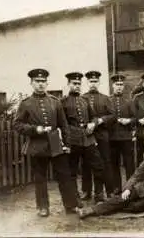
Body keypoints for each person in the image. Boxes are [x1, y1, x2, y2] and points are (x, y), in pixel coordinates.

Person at [13, 68, 79, 217]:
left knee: (64, 175)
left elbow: (64, 125)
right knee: (40, 178)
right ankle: (43, 207)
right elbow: (17, 124)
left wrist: (67, 144)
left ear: (47, 83)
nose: (41, 84)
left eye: (43, 81)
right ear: (31, 83)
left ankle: (71, 205)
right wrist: (36, 129)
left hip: (56, 143)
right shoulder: (26, 103)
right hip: (37, 145)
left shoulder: (55, 102)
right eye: (37, 81)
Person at [76, 141, 144, 219]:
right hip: (142, 188)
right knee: (122, 198)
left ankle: (111, 206)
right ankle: (90, 210)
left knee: (136, 207)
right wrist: (128, 189)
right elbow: (135, 177)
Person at [62, 72, 106, 204]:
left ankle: (99, 196)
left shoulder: (84, 100)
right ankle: (75, 198)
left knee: (98, 166)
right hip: (73, 140)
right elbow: (62, 123)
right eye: (74, 84)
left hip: (88, 139)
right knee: (72, 170)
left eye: (79, 84)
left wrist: (93, 123)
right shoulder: (63, 102)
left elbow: (93, 116)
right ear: (68, 84)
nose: (77, 86)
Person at [81, 71, 115, 202]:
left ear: (99, 83)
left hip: (102, 135)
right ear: (87, 83)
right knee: (86, 164)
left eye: (95, 81)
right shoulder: (82, 98)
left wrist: (101, 120)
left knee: (105, 162)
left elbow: (112, 116)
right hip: (87, 135)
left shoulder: (105, 98)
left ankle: (109, 191)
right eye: (91, 81)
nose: (93, 84)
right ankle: (86, 191)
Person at [107, 73, 136, 195]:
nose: (119, 87)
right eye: (117, 84)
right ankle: (116, 187)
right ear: (112, 85)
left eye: (121, 85)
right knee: (114, 163)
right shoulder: (107, 100)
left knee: (129, 163)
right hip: (112, 137)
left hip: (126, 137)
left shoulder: (129, 101)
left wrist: (128, 120)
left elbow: (135, 117)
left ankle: (130, 186)